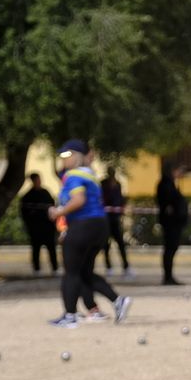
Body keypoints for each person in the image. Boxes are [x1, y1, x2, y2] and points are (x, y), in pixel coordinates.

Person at [47, 140, 131, 328]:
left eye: (67, 156)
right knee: (84, 272)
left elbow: (79, 200)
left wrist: (59, 212)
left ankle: (69, 316)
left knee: (71, 272)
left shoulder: (73, 176)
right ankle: (118, 301)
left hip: (82, 226)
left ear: (77, 156)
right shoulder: (91, 175)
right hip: (99, 227)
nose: (63, 160)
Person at [156, 161, 190, 285]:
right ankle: (167, 276)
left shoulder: (171, 184)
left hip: (174, 222)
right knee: (169, 249)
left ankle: (169, 276)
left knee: (171, 249)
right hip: (170, 223)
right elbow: (169, 203)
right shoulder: (166, 185)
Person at [19, 173, 59, 275]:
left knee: (51, 247)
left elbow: (52, 207)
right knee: (36, 248)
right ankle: (37, 269)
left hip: (47, 227)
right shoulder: (28, 196)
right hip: (35, 228)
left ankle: (55, 268)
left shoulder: (46, 193)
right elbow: (25, 213)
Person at [100, 169, 134, 279]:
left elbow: (118, 199)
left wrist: (122, 205)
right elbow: (104, 199)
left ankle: (126, 266)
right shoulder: (103, 184)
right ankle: (109, 267)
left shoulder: (117, 184)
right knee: (106, 244)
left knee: (120, 243)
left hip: (115, 218)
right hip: (106, 219)